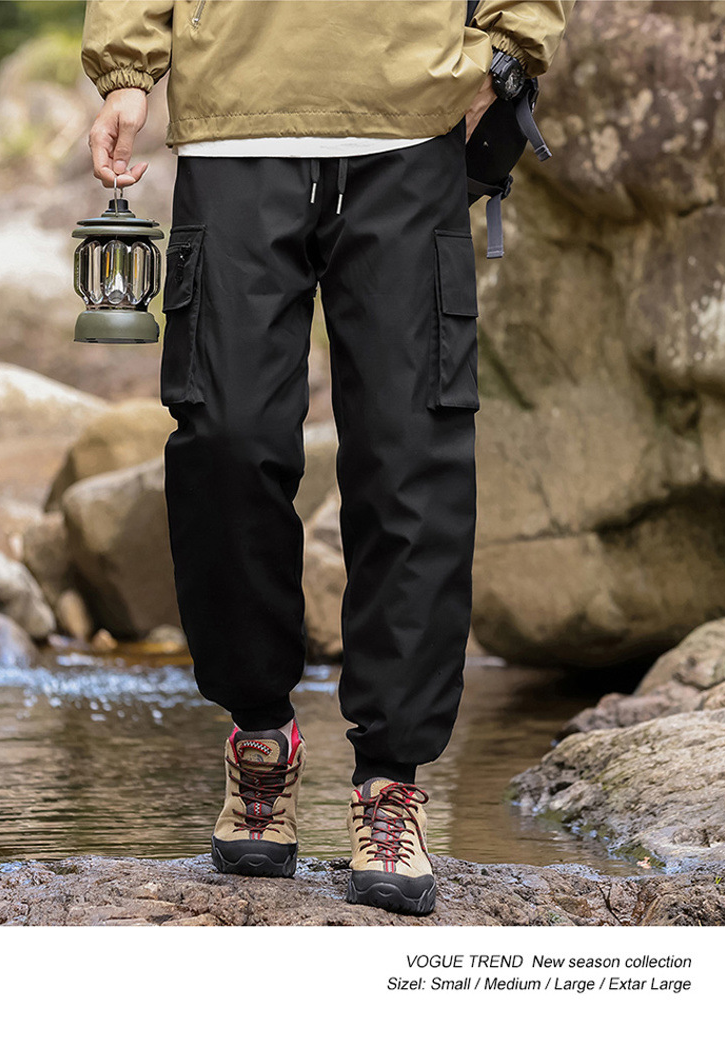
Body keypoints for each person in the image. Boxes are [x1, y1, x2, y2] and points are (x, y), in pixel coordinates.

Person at [82, 0, 573, 917]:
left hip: (409, 123)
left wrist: (508, 47)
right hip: (237, 121)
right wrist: (126, 67)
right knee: (223, 438)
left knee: (409, 458)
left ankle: (390, 783)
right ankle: (261, 739)